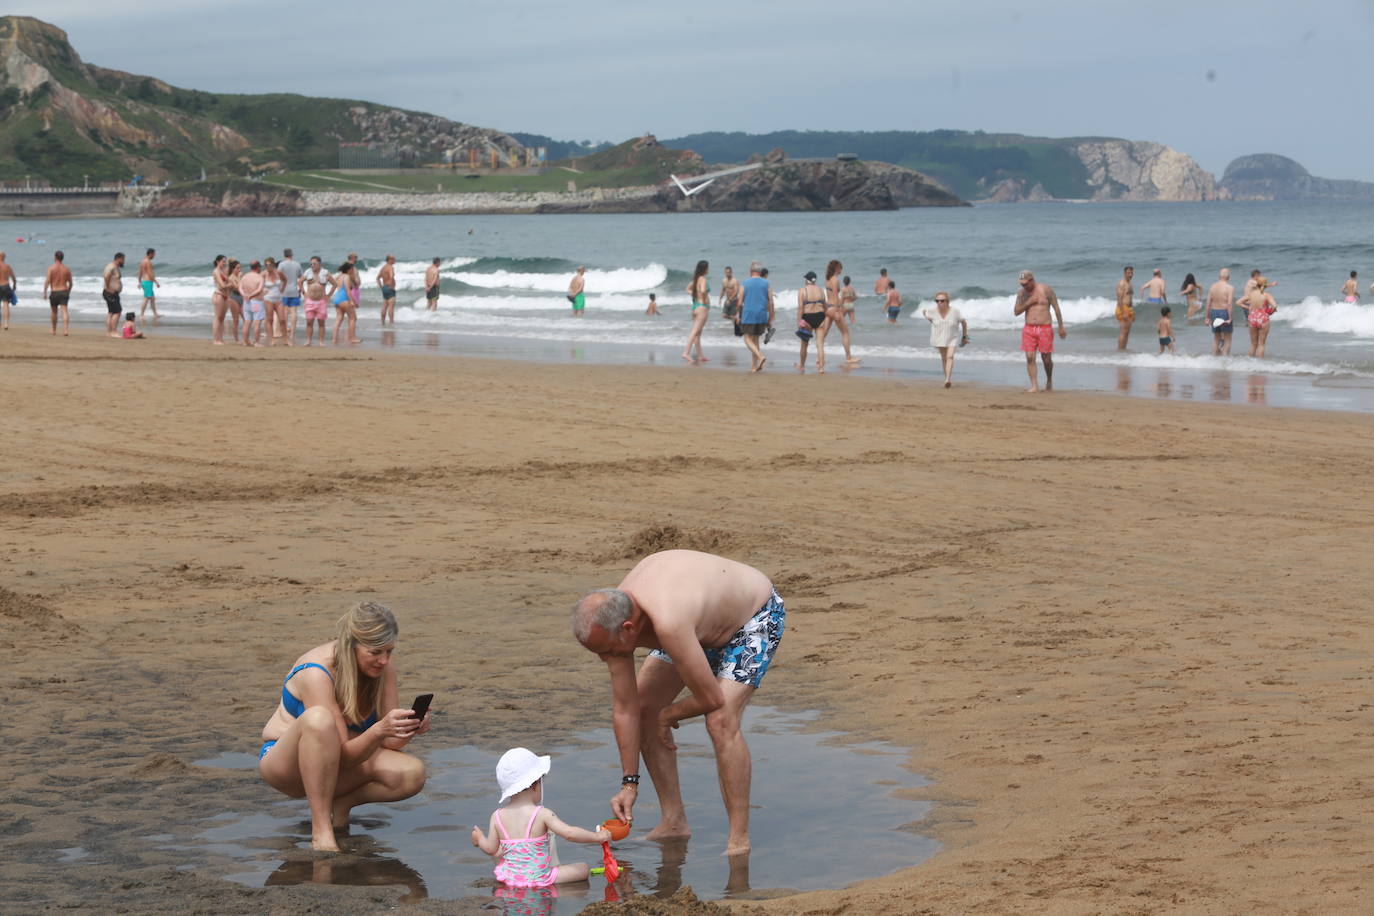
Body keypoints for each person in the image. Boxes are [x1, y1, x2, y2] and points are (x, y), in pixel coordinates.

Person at [570, 549, 786, 856]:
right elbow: (625, 708)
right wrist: (629, 784)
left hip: (753, 617)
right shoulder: (616, 619)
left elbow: (710, 698)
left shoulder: (666, 621)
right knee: (646, 708)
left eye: (606, 651)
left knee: (720, 720)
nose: (606, 659)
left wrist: (668, 715)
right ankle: (673, 822)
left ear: (628, 629)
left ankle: (739, 840)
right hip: (698, 626)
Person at [258, 602, 429, 852]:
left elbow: (391, 744)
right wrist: (379, 729)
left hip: (338, 762)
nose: (383, 660)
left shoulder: (383, 668)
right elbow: (346, 757)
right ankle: (321, 832)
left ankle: (342, 804)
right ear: (353, 645)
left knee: (411, 773)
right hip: (287, 765)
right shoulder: (317, 672)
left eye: (389, 651)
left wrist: (408, 726)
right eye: (375, 652)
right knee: (318, 719)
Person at [470, 748, 612, 887]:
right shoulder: (542, 814)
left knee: (502, 855)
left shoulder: (497, 816)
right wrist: (597, 837)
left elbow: (491, 849)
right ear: (535, 785)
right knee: (583, 868)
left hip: (510, 878)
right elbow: (570, 834)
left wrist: (479, 839)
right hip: (540, 877)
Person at [1014, 270, 1066, 393]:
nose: (1024, 286)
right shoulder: (1022, 294)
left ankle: (1049, 380)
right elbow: (1016, 311)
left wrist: (1061, 327)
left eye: (1026, 283)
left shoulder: (1046, 290)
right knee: (1030, 357)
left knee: (1046, 359)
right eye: (1022, 284)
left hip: (1045, 328)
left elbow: (1056, 308)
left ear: (1032, 280)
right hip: (1029, 329)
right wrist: (1029, 303)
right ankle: (1034, 386)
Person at [817, 259, 858, 371]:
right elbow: (835, 296)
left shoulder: (828, 279)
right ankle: (848, 357)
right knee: (845, 332)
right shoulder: (835, 280)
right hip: (834, 308)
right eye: (840, 267)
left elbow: (828, 295)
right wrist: (838, 311)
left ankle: (819, 358)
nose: (841, 270)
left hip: (828, 307)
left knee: (824, 333)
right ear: (836, 269)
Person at [922, 292, 968, 388]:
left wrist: (964, 336)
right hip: (939, 337)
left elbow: (963, 322)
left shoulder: (955, 311)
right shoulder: (932, 311)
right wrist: (930, 319)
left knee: (950, 356)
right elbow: (926, 315)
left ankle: (947, 380)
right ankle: (946, 378)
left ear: (947, 302)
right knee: (944, 358)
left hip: (952, 337)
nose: (939, 302)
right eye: (937, 301)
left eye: (942, 301)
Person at [735, 260, 773, 372]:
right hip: (762, 314)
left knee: (747, 338)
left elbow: (739, 302)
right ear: (760, 271)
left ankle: (760, 356)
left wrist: (738, 315)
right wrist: (771, 317)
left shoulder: (745, 283)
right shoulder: (766, 283)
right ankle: (754, 366)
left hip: (749, 314)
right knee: (755, 339)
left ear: (750, 271)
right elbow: (770, 302)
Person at [794, 270, 827, 371]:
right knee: (820, 344)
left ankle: (802, 366)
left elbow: (800, 307)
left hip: (807, 318)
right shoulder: (821, 290)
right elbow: (825, 306)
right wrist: (824, 316)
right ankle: (821, 367)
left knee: (804, 344)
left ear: (806, 280)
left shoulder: (802, 290)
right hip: (820, 316)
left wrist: (799, 321)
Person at [681, 260, 710, 363]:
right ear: (705, 269)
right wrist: (703, 297)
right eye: (707, 267)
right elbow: (702, 291)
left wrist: (695, 295)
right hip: (702, 307)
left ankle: (700, 356)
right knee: (694, 332)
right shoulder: (703, 279)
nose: (708, 269)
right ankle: (686, 353)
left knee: (697, 333)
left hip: (695, 307)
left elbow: (687, 289)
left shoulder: (696, 279)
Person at [1243, 275, 1277, 358]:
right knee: (1261, 344)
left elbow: (1238, 302)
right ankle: (1259, 365)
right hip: (1263, 319)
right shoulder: (1267, 295)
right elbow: (1275, 306)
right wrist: (1271, 312)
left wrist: (1249, 308)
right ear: (1265, 285)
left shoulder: (1251, 294)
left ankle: (1249, 363)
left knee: (1253, 344)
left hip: (1252, 318)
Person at [302, 256, 332, 347]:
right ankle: (308, 341)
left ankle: (321, 341)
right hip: (310, 301)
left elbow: (335, 284)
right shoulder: (307, 272)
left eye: (314, 263)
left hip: (321, 301)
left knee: (321, 322)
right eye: (311, 264)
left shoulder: (325, 273)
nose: (312, 265)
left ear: (319, 264)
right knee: (309, 321)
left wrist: (328, 296)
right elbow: (299, 282)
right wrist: (304, 293)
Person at [1206, 268, 1236, 356]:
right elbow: (1229, 303)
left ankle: (1214, 358)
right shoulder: (1230, 288)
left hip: (1214, 312)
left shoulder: (1213, 286)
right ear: (1229, 277)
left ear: (1219, 276)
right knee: (1227, 338)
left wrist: (1207, 317)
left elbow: (1208, 303)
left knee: (1216, 338)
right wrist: (1230, 317)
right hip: (1224, 312)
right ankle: (1224, 359)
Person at [331, 262, 361, 346]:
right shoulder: (347, 277)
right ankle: (352, 338)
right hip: (344, 299)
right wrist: (352, 301)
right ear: (348, 269)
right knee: (353, 318)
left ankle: (334, 339)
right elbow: (348, 290)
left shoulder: (339, 276)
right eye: (352, 269)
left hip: (337, 298)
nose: (353, 270)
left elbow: (334, 282)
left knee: (339, 318)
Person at [43, 250, 72, 336]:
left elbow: (47, 281)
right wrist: (68, 291)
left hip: (54, 291)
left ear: (55, 257)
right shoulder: (66, 269)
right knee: (64, 311)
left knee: (54, 312)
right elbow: (71, 283)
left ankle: (53, 330)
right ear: (62, 258)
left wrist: (45, 292)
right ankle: (66, 330)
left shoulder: (51, 268)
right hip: (64, 291)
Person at [239, 260, 267, 347]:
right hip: (256, 302)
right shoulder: (259, 277)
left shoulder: (245, 276)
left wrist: (245, 295)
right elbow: (259, 290)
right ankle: (257, 342)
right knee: (257, 322)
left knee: (247, 322)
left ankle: (245, 341)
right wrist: (251, 295)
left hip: (246, 302)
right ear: (258, 267)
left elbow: (240, 287)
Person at [279, 248, 303, 342]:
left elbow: (278, 275)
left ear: (284, 255)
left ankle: (284, 332)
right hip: (294, 290)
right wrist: (301, 290)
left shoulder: (281, 264)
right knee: (294, 312)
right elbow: (301, 277)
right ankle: (292, 333)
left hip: (284, 290)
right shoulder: (297, 264)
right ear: (292, 255)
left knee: (284, 312)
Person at [262, 257, 287, 345]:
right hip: (268, 299)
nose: (268, 266)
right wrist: (262, 291)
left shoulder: (278, 273)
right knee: (270, 319)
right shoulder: (264, 274)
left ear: (273, 264)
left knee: (282, 319)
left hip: (278, 299)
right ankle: (272, 339)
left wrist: (282, 289)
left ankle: (285, 340)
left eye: (270, 265)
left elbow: (285, 280)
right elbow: (258, 284)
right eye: (266, 265)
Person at [103, 252, 126, 339]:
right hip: (110, 293)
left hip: (110, 292)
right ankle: (113, 331)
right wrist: (108, 288)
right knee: (117, 311)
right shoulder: (112, 267)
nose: (123, 261)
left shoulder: (114, 267)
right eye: (123, 259)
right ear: (118, 259)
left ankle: (109, 332)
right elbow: (106, 276)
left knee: (111, 312)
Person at [211, 255, 233, 345]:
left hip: (225, 295)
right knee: (217, 317)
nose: (224, 263)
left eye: (225, 261)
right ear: (218, 261)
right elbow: (222, 285)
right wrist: (229, 285)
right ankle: (216, 339)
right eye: (223, 261)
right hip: (219, 295)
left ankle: (220, 338)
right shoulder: (216, 271)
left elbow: (229, 282)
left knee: (222, 318)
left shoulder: (223, 271)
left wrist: (229, 284)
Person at [1114, 265, 1135, 350]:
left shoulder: (1130, 283)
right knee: (1123, 332)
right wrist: (1123, 312)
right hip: (1123, 308)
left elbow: (1130, 298)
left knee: (1127, 332)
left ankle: (1123, 349)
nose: (1130, 274)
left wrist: (1132, 311)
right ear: (1125, 273)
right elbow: (1119, 298)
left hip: (1129, 309)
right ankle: (1120, 350)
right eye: (1128, 273)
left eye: (1132, 273)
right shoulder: (1122, 283)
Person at [138, 248, 159, 321]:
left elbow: (140, 272)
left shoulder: (142, 261)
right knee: (146, 299)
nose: (154, 256)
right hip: (148, 282)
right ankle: (141, 315)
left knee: (152, 299)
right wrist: (156, 282)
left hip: (144, 281)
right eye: (154, 254)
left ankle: (155, 314)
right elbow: (150, 273)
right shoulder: (148, 262)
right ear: (150, 254)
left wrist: (139, 281)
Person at [378, 254, 398, 326]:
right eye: (393, 259)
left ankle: (382, 322)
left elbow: (377, 278)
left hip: (384, 288)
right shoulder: (390, 267)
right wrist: (392, 286)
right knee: (391, 307)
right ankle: (391, 322)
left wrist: (381, 287)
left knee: (385, 305)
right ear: (389, 260)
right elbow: (391, 276)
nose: (395, 260)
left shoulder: (383, 268)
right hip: (390, 288)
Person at [0, 251, 15, 331]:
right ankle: (6, 324)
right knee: (6, 304)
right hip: (6, 286)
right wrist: (14, 285)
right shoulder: (7, 266)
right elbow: (13, 277)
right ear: (4, 257)